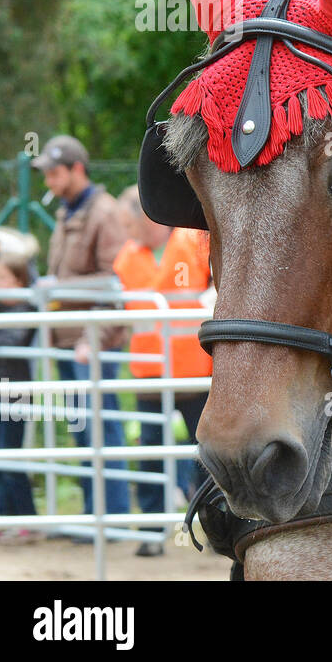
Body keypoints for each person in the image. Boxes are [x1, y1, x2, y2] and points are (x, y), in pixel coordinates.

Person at [32, 134, 131, 533]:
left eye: (54, 173)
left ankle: (114, 519)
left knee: (102, 427)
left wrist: (94, 337)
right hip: (66, 340)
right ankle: (94, 516)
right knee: (81, 429)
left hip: (92, 343)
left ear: (76, 169)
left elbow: (116, 282)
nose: (49, 182)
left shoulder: (103, 213)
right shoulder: (67, 210)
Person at [112, 186, 212, 557]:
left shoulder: (192, 240)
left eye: (129, 224)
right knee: (151, 453)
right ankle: (152, 531)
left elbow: (221, 280)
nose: (127, 232)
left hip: (195, 372)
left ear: (146, 217)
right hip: (149, 373)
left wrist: (211, 297)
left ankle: (214, 525)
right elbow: (122, 312)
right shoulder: (126, 258)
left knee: (205, 453)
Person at [0, 251, 40, 543]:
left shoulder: (25, 310)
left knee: (10, 459)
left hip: (14, 394)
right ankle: (3, 518)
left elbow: (12, 338)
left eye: (3, 278)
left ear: (20, 281)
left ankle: (24, 520)